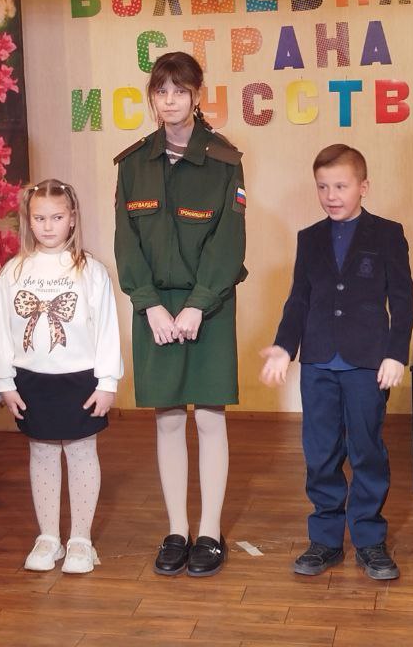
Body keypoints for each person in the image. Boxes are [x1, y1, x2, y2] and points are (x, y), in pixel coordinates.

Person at [114, 50, 246, 578]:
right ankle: (176, 530)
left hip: (208, 307)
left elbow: (228, 242)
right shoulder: (133, 164)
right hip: (154, 310)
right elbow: (126, 244)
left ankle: (209, 532)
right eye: (161, 91)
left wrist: (196, 305)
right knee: (168, 419)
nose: (169, 101)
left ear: (196, 96)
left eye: (180, 91)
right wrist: (148, 305)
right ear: (153, 97)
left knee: (210, 418)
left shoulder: (224, 161)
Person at [259, 144, 413, 581]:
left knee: (367, 451)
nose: (331, 195)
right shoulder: (309, 238)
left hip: (368, 364)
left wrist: (395, 353)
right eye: (323, 187)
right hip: (319, 365)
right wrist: (284, 347)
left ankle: (369, 540)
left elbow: (402, 300)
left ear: (363, 187)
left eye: (341, 186)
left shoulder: (387, 234)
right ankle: (325, 540)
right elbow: (298, 299)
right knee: (321, 452)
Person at [0, 180, 124, 576]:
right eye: (39, 218)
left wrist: (107, 382)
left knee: (81, 454)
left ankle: (80, 539)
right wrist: (4, 382)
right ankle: (48, 536)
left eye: (57, 217)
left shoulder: (91, 271)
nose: (48, 226)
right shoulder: (13, 272)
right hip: (33, 380)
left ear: (72, 219)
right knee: (43, 454)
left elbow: (107, 330)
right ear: (28, 221)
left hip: (80, 379)